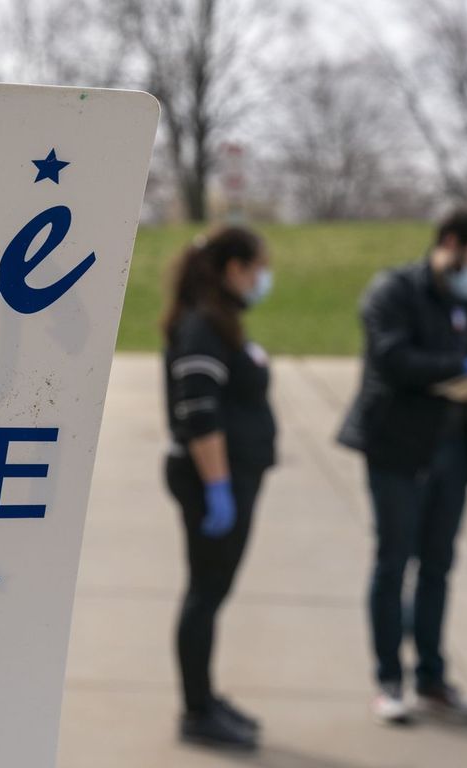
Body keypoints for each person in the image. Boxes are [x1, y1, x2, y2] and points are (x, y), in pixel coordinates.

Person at [337, 209, 467, 726]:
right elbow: (393, 358)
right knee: (394, 560)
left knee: (438, 565)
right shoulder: (394, 292)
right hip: (398, 449)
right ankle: (388, 678)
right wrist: (463, 366)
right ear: (450, 243)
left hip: (454, 453)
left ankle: (433, 678)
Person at [162, 226, 277, 751]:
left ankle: (205, 697)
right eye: (257, 267)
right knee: (204, 596)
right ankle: (196, 710)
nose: (261, 277)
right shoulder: (203, 326)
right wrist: (219, 488)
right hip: (212, 481)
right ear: (234, 268)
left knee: (211, 594)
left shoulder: (221, 321)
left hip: (229, 478)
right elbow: (198, 414)